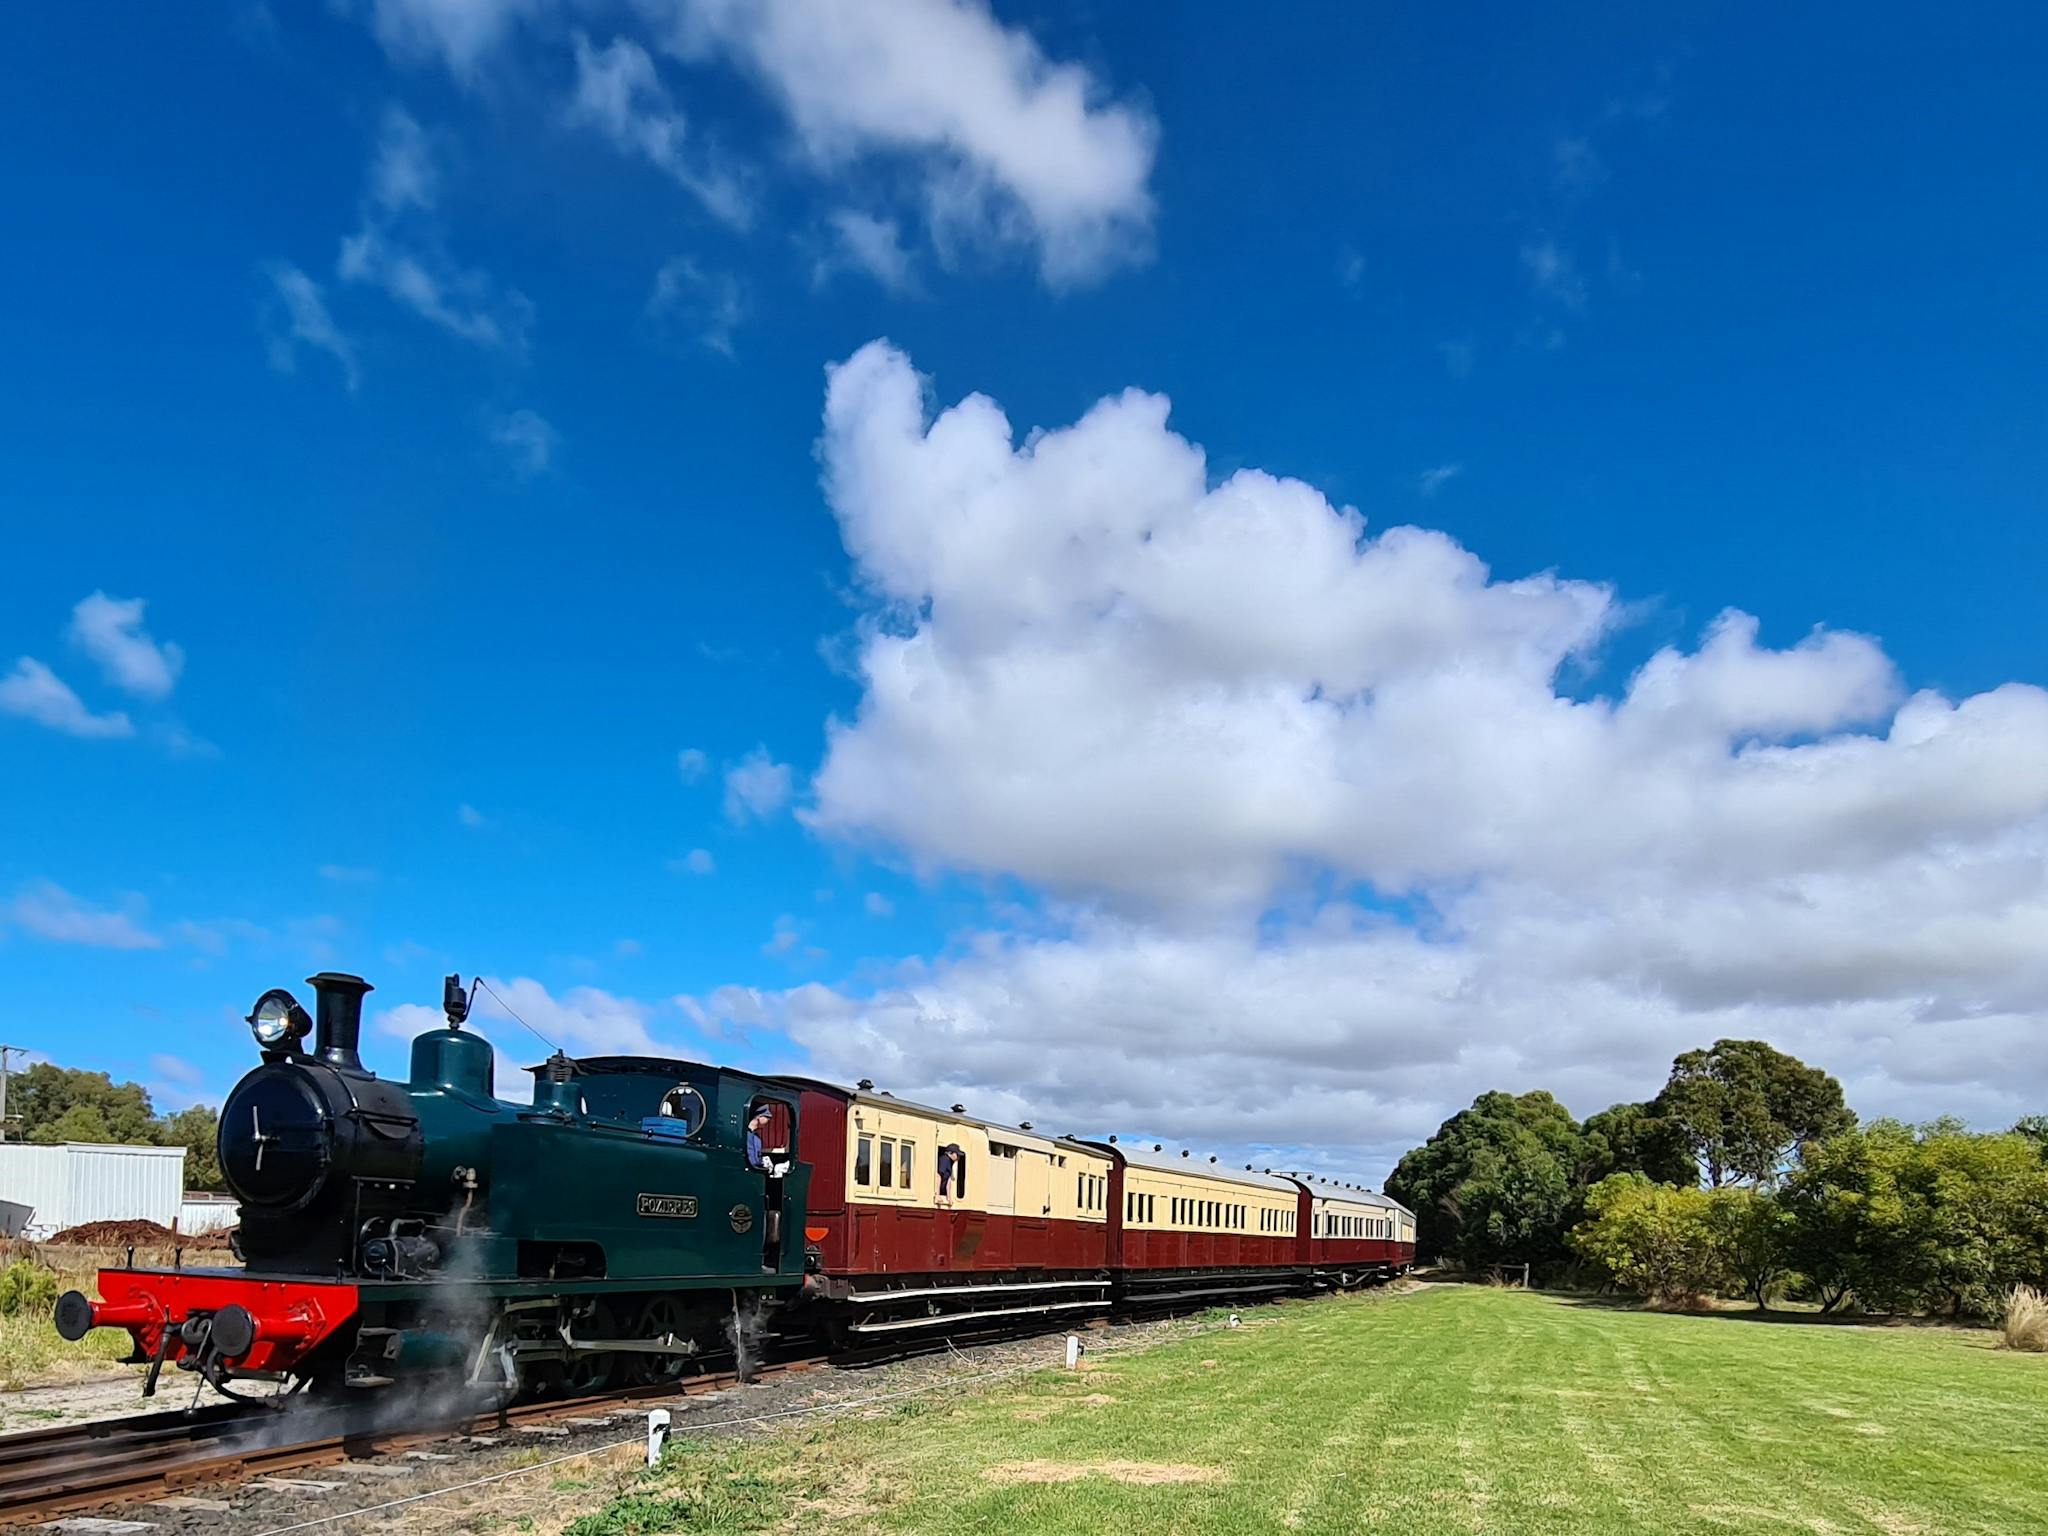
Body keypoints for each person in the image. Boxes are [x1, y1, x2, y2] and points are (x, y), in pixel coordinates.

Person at [935, 1143, 962, 1207]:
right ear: (950, 1153)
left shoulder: (950, 1162)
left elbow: (948, 1180)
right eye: (957, 1155)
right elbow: (938, 1176)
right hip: (939, 1192)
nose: (958, 1157)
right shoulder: (944, 1159)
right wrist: (937, 1195)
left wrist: (949, 1197)